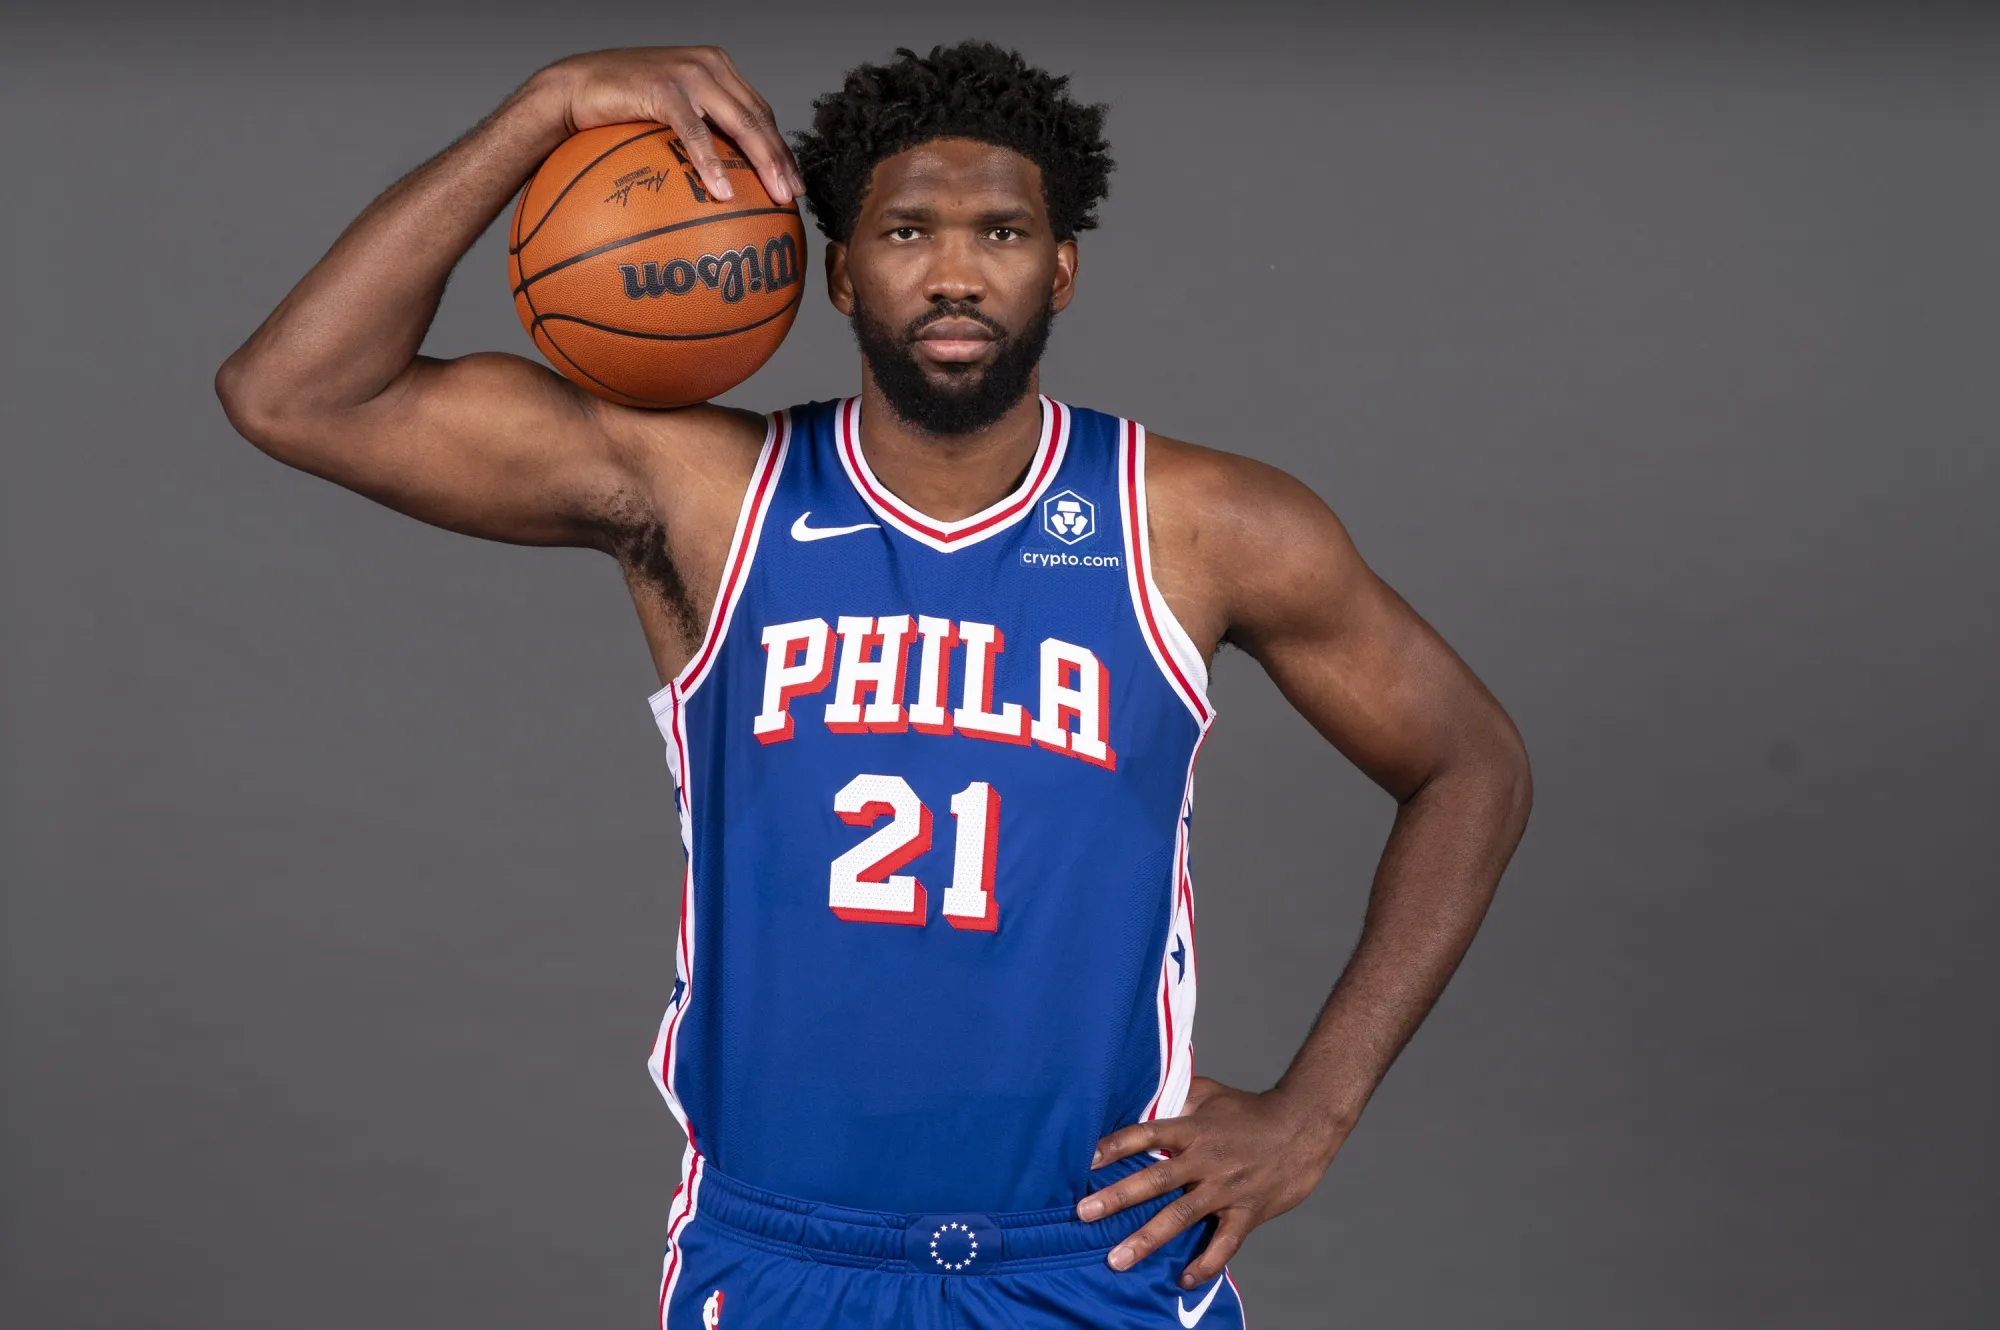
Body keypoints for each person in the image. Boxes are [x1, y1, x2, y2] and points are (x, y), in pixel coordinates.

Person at [216, 39, 1531, 1330]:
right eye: (908, 232)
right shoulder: (712, 497)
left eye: (1002, 235)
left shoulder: (1198, 524)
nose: (956, 271)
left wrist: (1319, 1104)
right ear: (838, 271)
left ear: (1062, 268)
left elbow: (1471, 762)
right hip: (785, 1254)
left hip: (1095, 1255)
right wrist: (543, 108)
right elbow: (297, 393)